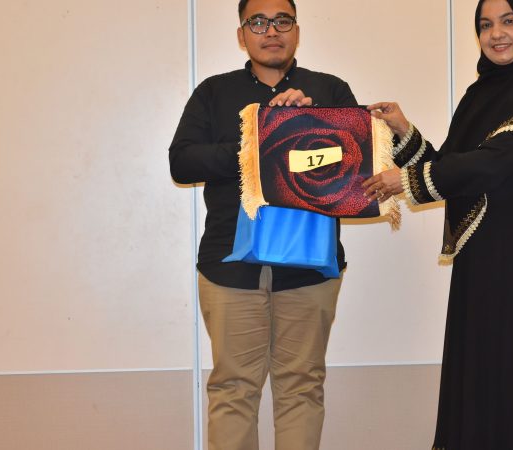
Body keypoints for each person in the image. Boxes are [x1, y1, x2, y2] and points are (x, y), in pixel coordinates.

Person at [363, 0, 513, 448]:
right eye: (485, 25)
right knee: (482, 369)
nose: (496, 34)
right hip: (482, 258)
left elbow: (496, 161)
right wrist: (403, 130)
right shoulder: (480, 95)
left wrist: (406, 181)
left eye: (508, 21)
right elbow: (454, 168)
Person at [168, 0, 357, 449]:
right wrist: (259, 133)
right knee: (233, 389)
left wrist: (305, 125)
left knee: (302, 388)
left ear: (297, 30)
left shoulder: (330, 91)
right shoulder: (214, 93)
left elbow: (355, 168)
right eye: (258, 22)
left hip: (311, 266)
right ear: (242, 34)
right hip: (229, 266)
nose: (271, 31)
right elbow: (182, 162)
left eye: (282, 21)